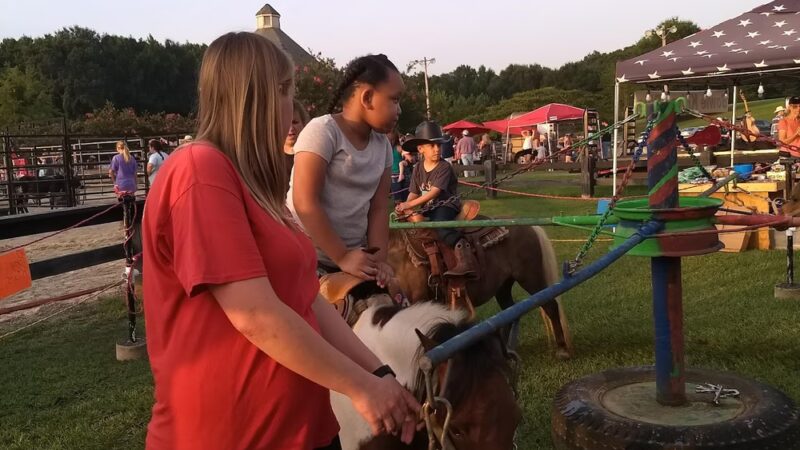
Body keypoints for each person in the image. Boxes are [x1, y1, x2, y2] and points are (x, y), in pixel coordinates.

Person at [141, 33, 419, 450]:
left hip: (304, 429)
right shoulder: (200, 170)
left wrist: (379, 374)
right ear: (254, 96)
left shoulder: (255, 188)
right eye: (286, 89)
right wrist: (361, 387)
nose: (293, 107)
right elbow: (254, 314)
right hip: (233, 435)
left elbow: (308, 301)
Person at [289, 54, 402, 284]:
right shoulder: (322, 132)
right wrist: (342, 256)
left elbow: (379, 208)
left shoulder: (383, 146)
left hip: (355, 257)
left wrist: (379, 261)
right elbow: (305, 202)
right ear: (367, 98)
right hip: (307, 254)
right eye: (395, 100)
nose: (399, 110)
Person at [395, 121, 477, 278]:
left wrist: (409, 204)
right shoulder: (418, 168)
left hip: (446, 206)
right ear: (420, 149)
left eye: (439, 145)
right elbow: (414, 192)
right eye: (432, 145)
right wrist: (405, 206)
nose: (437, 149)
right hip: (428, 207)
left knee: (441, 228)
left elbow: (434, 192)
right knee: (411, 227)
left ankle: (464, 256)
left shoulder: (444, 167)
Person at [284, 99, 311, 179]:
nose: (291, 128)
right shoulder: (270, 159)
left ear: (303, 123)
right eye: (286, 123)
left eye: (295, 122)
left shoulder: (313, 155)